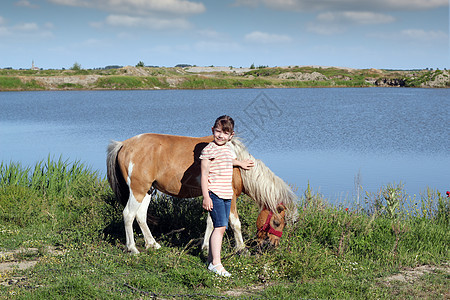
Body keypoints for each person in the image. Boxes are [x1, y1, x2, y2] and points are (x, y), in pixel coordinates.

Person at [200, 115, 254, 277]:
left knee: (221, 227)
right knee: (220, 227)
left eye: (225, 133)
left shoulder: (227, 148)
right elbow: (204, 175)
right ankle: (217, 263)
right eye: (217, 131)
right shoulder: (208, 150)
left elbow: (227, 161)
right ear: (212, 130)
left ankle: (210, 261)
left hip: (226, 194)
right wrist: (206, 197)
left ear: (231, 135)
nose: (220, 136)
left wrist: (241, 164)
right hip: (214, 193)